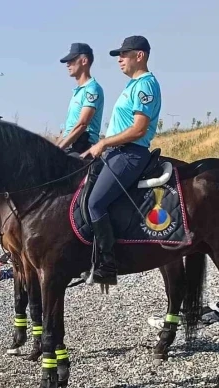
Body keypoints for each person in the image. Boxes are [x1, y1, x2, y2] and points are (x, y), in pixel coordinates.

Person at [82, 35, 162, 286]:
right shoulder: (132, 85)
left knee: (95, 203)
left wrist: (104, 142)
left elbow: (139, 129)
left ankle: (108, 263)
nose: (119, 59)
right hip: (117, 153)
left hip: (129, 153)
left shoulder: (145, 85)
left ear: (140, 56)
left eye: (124, 54)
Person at [57, 43, 105, 155]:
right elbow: (68, 129)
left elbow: (82, 124)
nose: (68, 64)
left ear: (84, 61)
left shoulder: (92, 89)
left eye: (72, 60)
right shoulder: (78, 91)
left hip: (81, 148)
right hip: (69, 147)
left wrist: (58, 151)